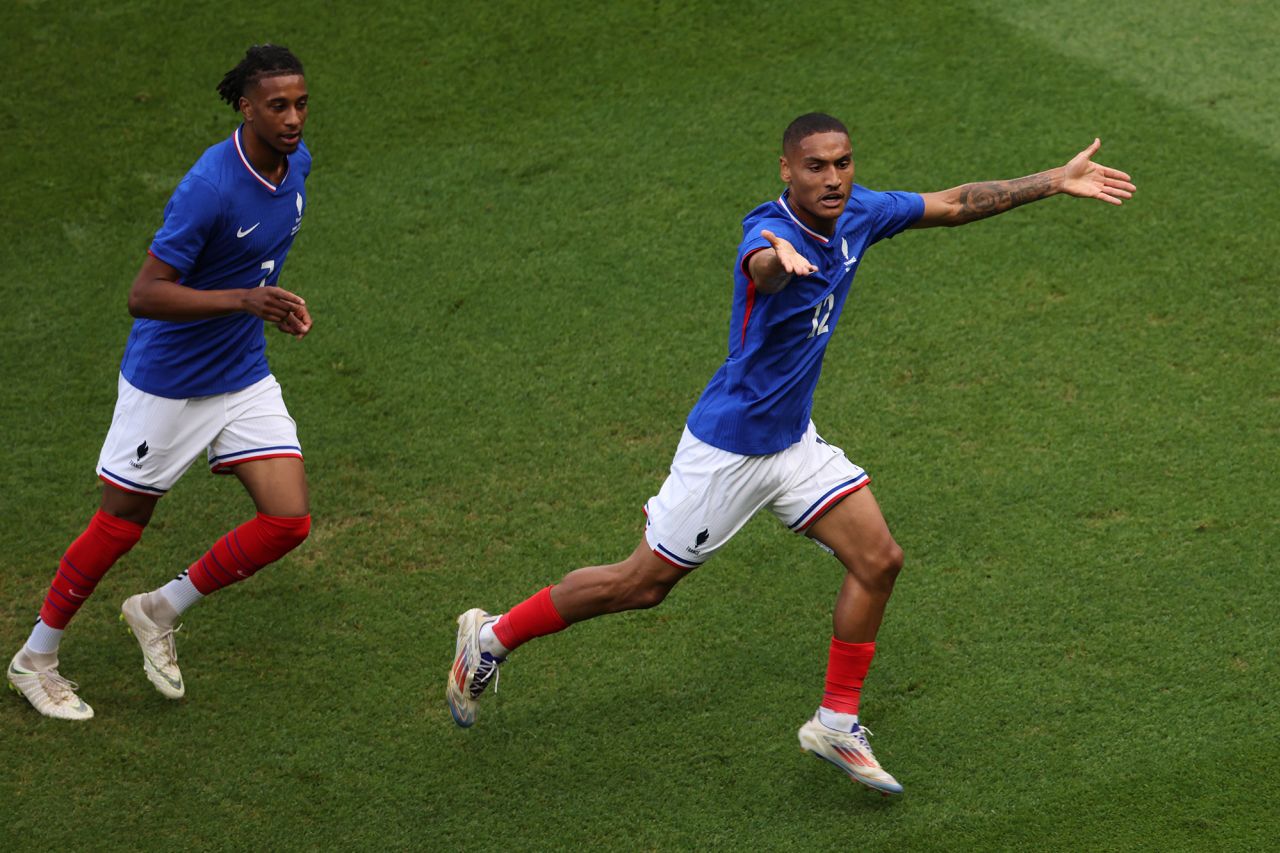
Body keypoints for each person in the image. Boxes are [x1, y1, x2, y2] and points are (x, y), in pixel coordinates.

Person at [447, 113, 1135, 794]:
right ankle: (491, 637)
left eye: (843, 162)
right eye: (816, 166)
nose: (833, 178)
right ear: (786, 170)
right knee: (642, 584)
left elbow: (954, 203)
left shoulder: (861, 211)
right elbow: (761, 264)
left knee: (878, 559)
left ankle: (836, 721)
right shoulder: (767, 228)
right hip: (730, 448)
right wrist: (779, 261)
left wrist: (1054, 180)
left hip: (793, 441)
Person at [7, 44, 315, 721]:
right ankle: (35, 658)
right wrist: (242, 300)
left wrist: (274, 303)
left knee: (288, 518)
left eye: (300, 103)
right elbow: (144, 294)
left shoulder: (297, 168)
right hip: (170, 383)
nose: (293, 118)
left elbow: (254, 263)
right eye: (278, 106)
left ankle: (158, 608)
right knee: (122, 521)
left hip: (240, 371)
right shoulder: (209, 185)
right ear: (246, 106)